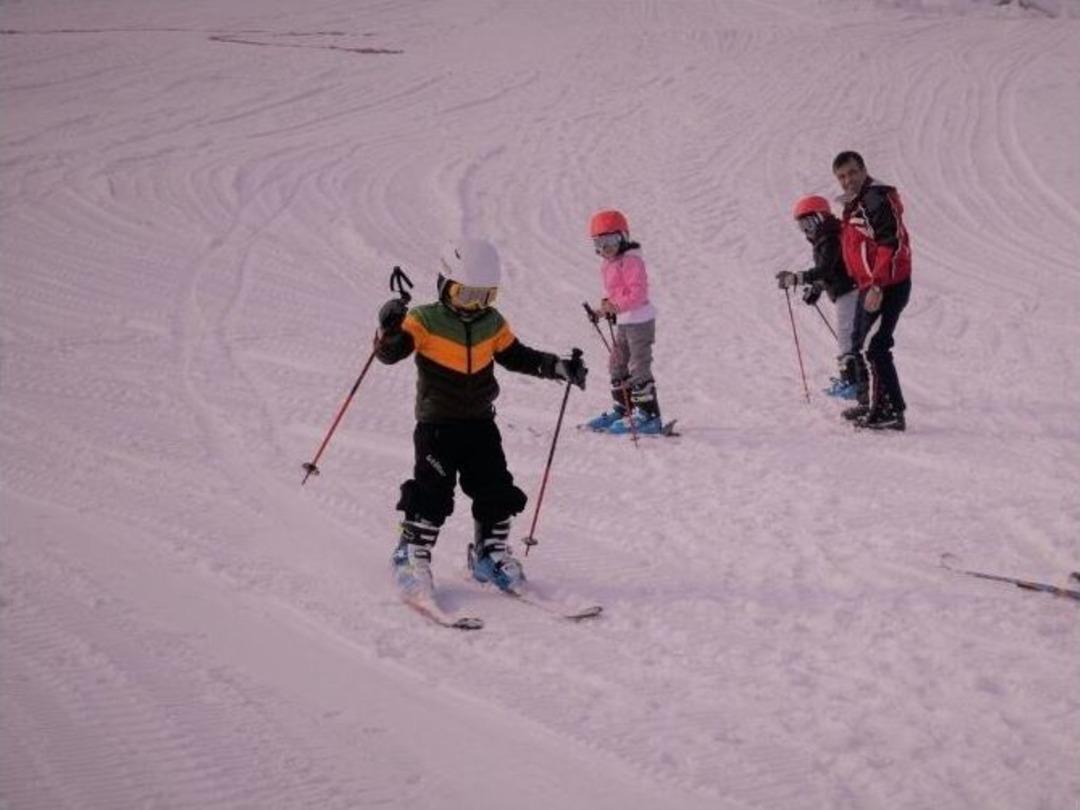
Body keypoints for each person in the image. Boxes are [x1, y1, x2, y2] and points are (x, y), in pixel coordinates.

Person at [375, 238, 587, 597]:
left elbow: (517, 355)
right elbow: (390, 353)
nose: (474, 306)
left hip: (480, 424)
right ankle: (410, 554)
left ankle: (489, 554)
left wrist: (556, 366)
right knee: (432, 492)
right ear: (444, 285)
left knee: (495, 487)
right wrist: (389, 328)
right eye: (466, 295)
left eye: (485, 297)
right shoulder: (424, 320)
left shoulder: (492, 323)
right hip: (437, 426)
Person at [832, 150, 912, 431]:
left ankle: (889, 411)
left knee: (875, 346)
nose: (848, 180)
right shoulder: (856, 203)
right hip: (869, 284)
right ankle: (874, 404)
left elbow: (891, 242)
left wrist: (877, 283)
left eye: (852, 172)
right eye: (842, 177)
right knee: (859, 343)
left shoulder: (875, 199)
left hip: (888, 284)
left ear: (864, 169)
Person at [775, 195, 865, 401]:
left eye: (808, 223)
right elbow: (832, 270)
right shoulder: (827, 237)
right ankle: (853, 379)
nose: (806, 230)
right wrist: (817, 288)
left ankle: (853, 382)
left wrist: (797, 278)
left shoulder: (830, 237)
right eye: (802, 226)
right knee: (848, 334)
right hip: (846, 291)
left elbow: (826, 268)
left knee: (846, 335)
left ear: (820, 218)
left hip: (849, 291)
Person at [583, 208, 664, 435]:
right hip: (625, 321)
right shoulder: (609, 264)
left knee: (638, 365)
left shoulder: (632, 261)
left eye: (610, 241)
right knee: (617, 365)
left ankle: (648, 416)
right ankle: (625, 410)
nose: (604, 248)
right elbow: (617, 294)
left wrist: (615, 306)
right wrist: (602, 310)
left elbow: (637, 294)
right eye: (599, 243)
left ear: (623, 237)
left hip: (640, 321)